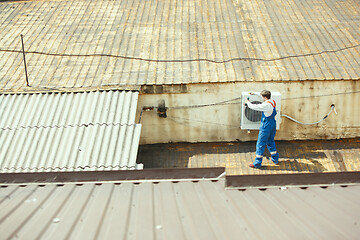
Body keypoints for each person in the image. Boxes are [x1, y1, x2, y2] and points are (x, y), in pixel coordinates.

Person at [245, 90, 279, 168]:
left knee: (260, 143)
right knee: (270, 141)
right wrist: (255, 93)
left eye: (262, 97)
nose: (261, 98)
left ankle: (257, 163)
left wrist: (247, 102)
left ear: (265, 97)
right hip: (273, 124)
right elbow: (263, 95)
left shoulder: (266, 105)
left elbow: (254, 107)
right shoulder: (273, 101)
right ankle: (275, 158)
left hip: (266, 126)